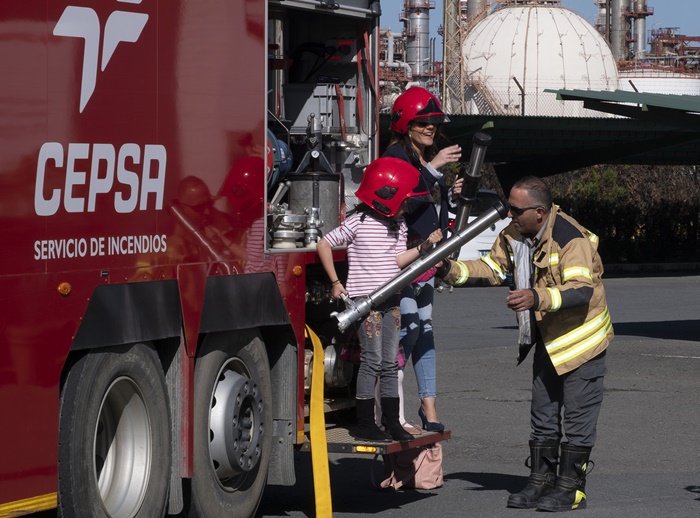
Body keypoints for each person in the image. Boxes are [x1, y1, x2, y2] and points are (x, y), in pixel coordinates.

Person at [437, 176, 613, 512]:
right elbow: (491, 268)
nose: (508, 215)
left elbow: (581, 290)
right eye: (508, 208)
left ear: (539, 212)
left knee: (577, 420)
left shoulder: (570, 238)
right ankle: (540, 481)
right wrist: (448, 269)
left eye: (515, 210)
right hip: (548, 341)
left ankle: (572, 488)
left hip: (582, 344)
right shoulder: (515, 233)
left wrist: (536, 296)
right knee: (543, 416)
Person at [317, 157, 443, 442]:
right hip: (367, 302)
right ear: (386, 198)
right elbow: (324, 243)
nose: (407, 207)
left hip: (391, 300)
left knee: (389, 362)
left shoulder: (397, 226)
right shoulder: (358, 223)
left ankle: (390, 421)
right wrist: (335, 282)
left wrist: (424, 247)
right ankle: (364, 423)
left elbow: (399, 260)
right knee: (372, 360)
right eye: (405, 201)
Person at [382, 86, 463, 432]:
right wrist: (433, 169)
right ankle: (394, 413)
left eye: (434, 123)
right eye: (423, 122)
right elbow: (402, 200)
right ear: (405, 125)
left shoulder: (420, 162)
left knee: (424, 331)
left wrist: (451, 195)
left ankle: (429, 407)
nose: (431, 128)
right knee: (408, 333)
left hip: (427, 259)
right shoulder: (395, 159)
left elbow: (433, 212)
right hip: (405, 258)